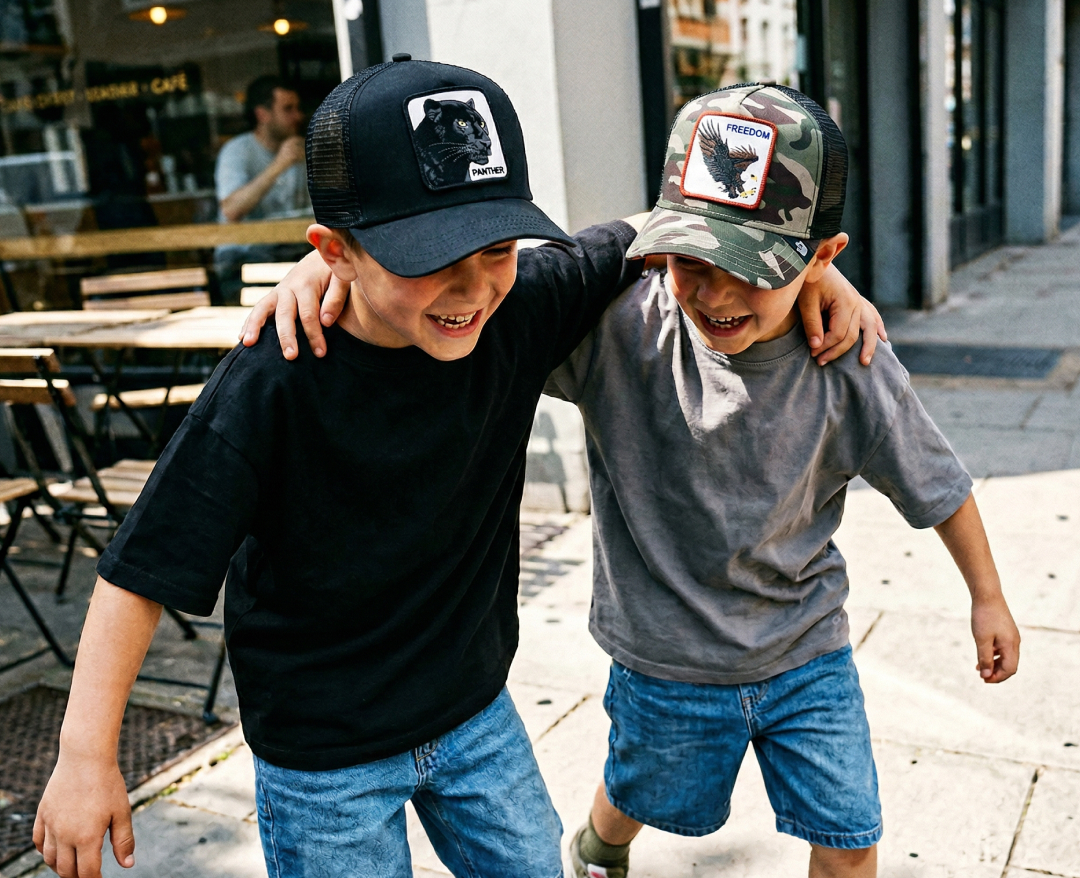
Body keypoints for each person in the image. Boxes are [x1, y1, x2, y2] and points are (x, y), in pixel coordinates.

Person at [33, 60, 876, 878]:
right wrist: (84, 757)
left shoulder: (520, 305)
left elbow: (664, 229)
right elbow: (140, 572)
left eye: (497, 248)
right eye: (429, 257)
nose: (472, 288)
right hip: (325, 755)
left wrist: (814, 271)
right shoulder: (274, 379)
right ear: (335, 250)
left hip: (475, 715)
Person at [537, 84, 1018, 878]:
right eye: (690, 260)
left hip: (806, 652)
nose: (715, 293)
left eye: (749, 268)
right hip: (666, 660)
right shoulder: (623, 332)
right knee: (637, 788)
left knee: (850, 836)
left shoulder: (849, 362)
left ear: (823, 258)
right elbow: (495, 313)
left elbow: (939, 484)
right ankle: (599, 847)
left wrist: (987, 597)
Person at [214, 75, 311, 302]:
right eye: (288, 109)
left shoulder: (301, 150)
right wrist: (279, 164)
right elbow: (231, 210)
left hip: (291, 253)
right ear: (262, 114)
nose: (298, 116)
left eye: (297, 108)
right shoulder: (237, 151)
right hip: (243, 258)